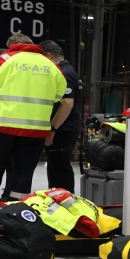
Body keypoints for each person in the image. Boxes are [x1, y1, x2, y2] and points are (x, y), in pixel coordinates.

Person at [0, 33, 67, 205]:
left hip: (2, 126)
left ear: (12, 46)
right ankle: (15, 211)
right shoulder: (51, 65)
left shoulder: (6, 58)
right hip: (35, 130)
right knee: (24, 171)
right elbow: (58, 95)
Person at [39, 40, 83, 193]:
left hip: (63, 128)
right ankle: (60, 197)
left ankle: (64, 200)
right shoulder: (69, 70)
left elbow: (67, 104)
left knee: (58, 166)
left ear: (49, 55)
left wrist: (52, 128)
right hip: (66, 126)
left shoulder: (63, 73)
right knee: (57, 165)